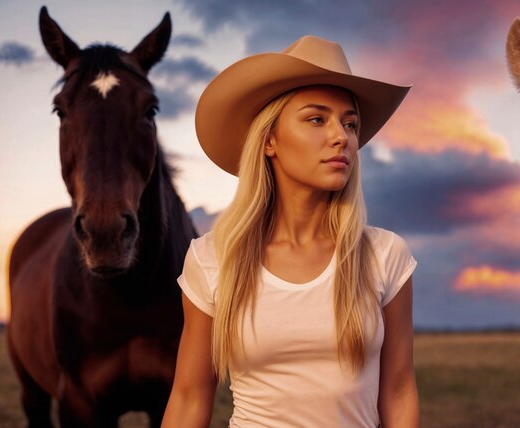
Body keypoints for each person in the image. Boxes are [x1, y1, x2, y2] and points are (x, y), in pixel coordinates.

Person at [161, 35, 419, 427]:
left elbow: (398, 393)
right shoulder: (213, 259)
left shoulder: (385, 256)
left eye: (349, 123)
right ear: (269, 140)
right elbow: (189, 397)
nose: (341, 137)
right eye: (317, 119)